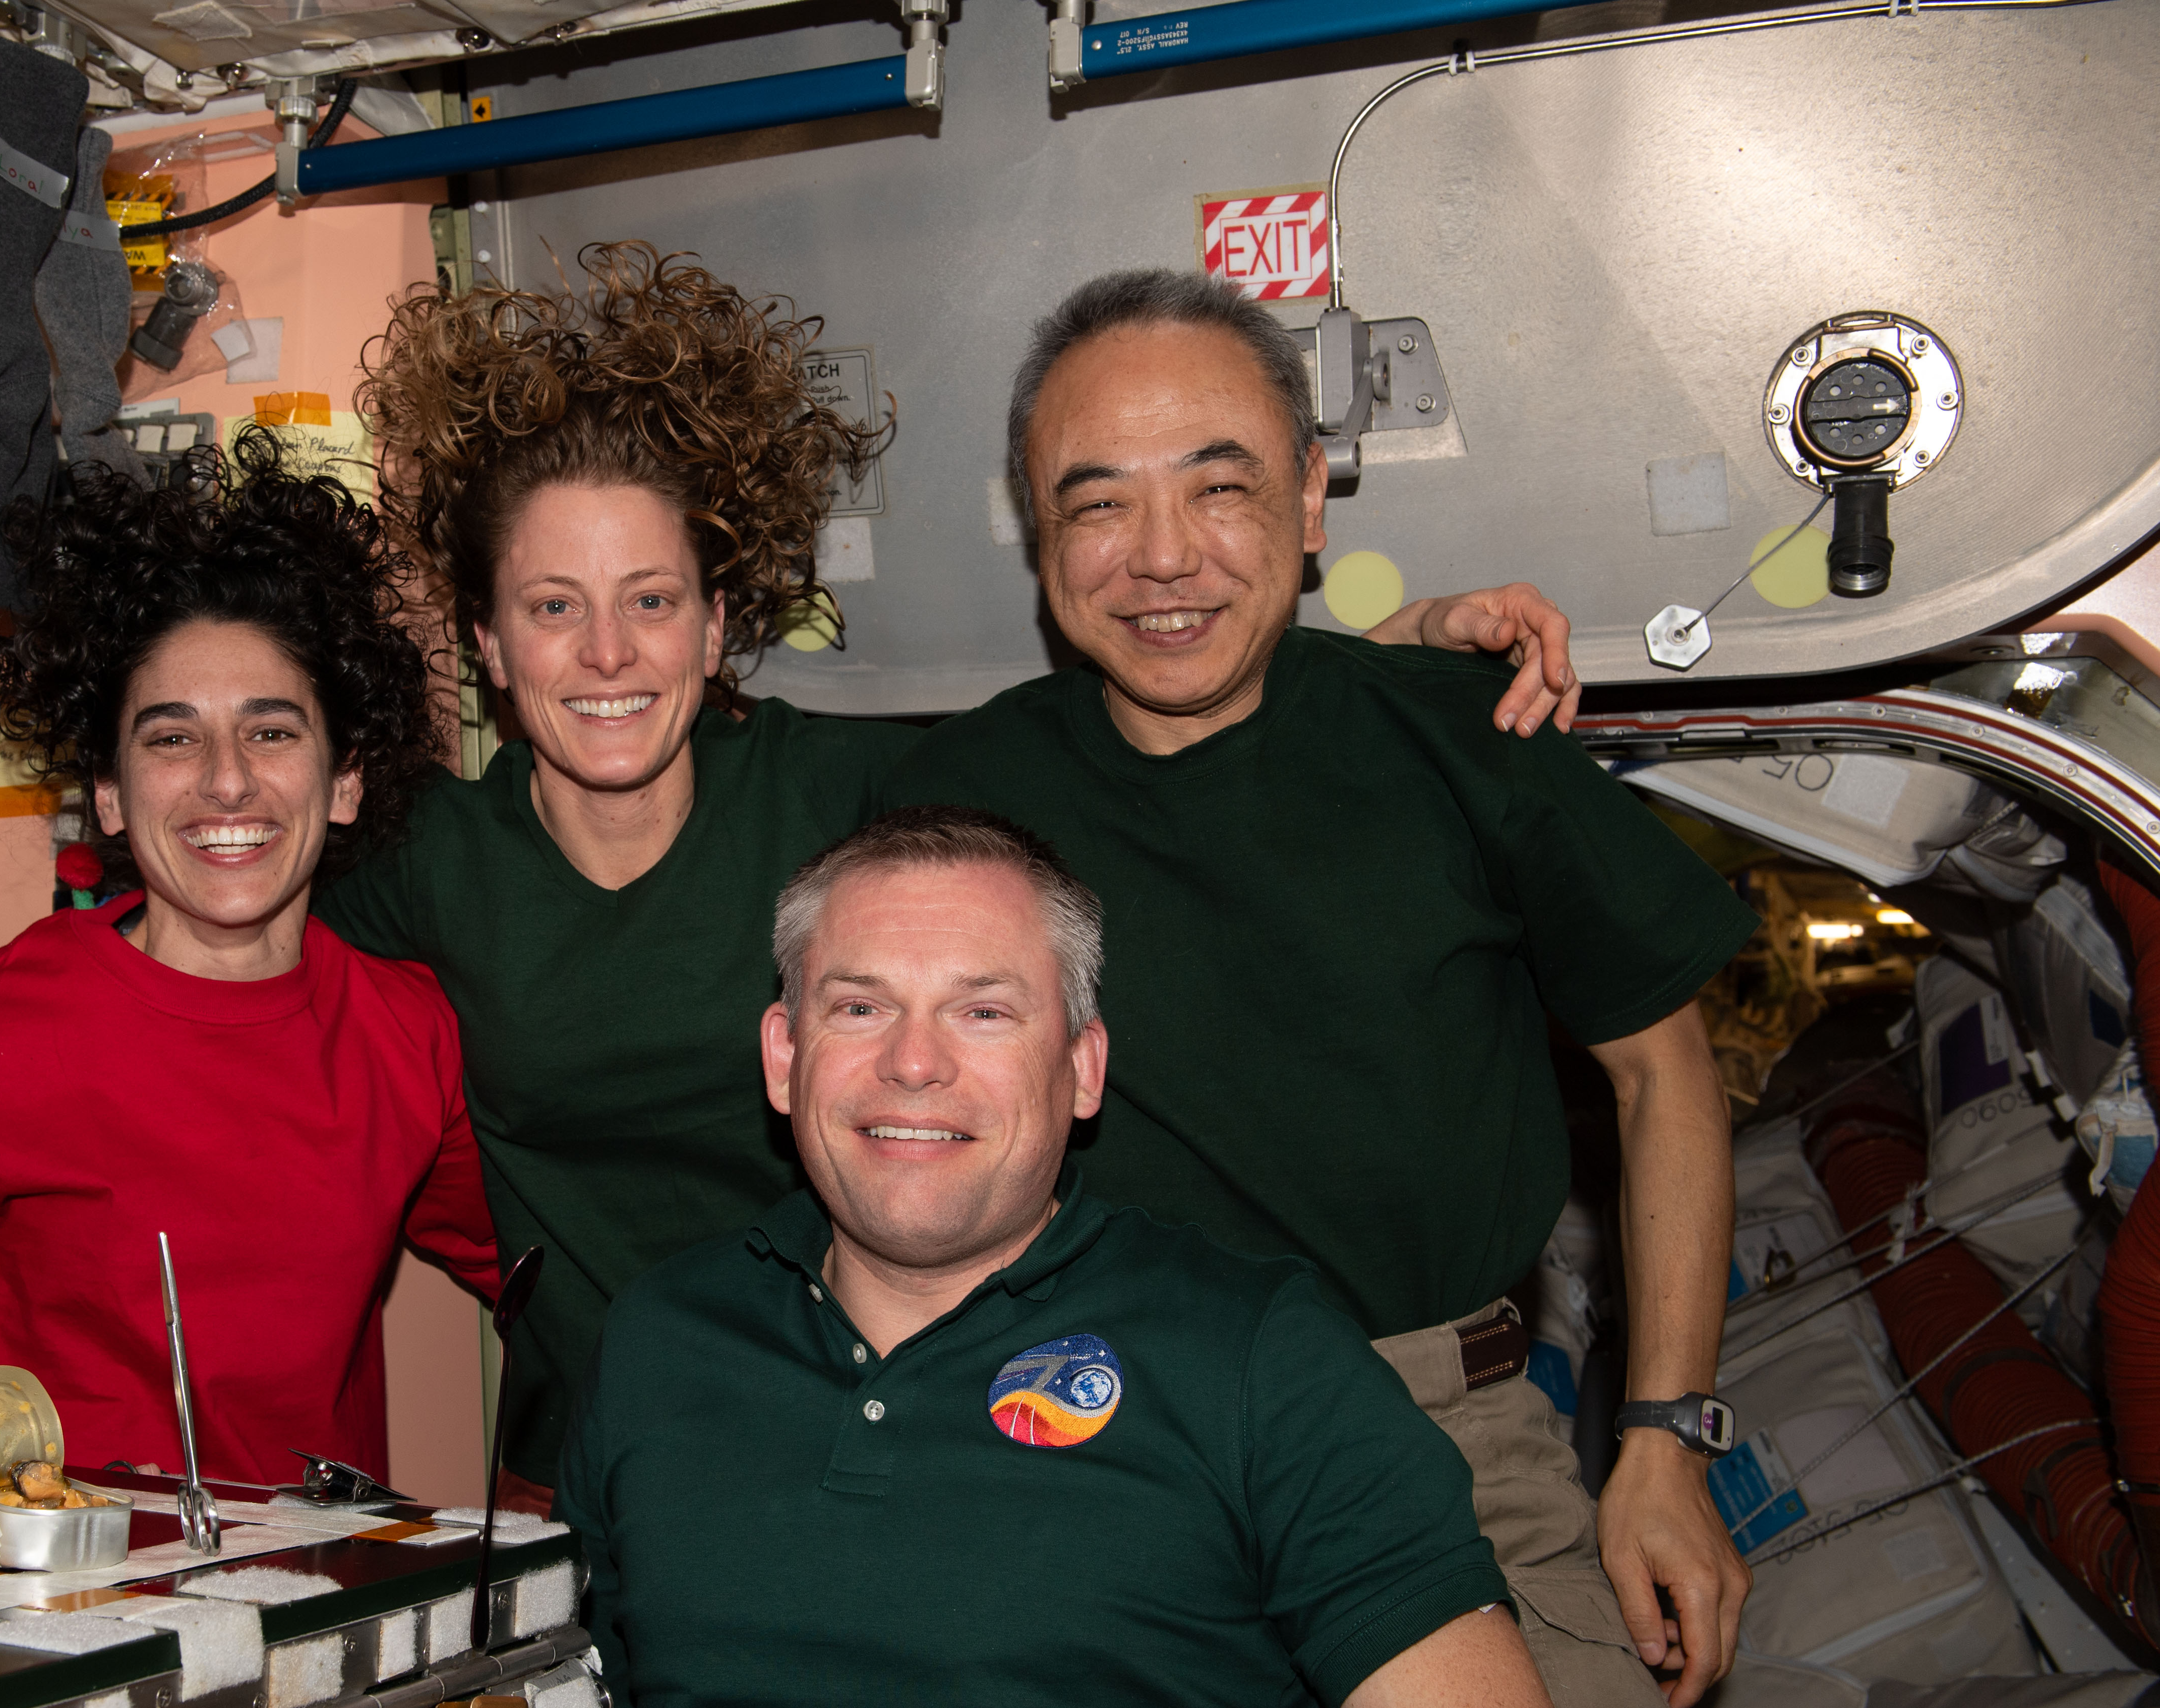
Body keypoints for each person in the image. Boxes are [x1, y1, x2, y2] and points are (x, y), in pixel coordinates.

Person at [323, 243, 1585, 1502]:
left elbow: (1151, 748)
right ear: (488, 642)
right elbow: (229, 956)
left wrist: (1378, 659)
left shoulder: (851, 798)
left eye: (651, 600)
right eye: (552, 608)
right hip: (588, 1468)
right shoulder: (429, 862)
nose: (607, 652)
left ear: (717, 626)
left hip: (881, 1445)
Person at [880, 271, 1757, 1708]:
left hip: (1463, 1450)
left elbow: (1663, 1075)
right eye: (1101, 506)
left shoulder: (1461, 738)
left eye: (1220, 487)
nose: (1163, 558)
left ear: (1305, 498)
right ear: (1038, 532)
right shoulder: (958, 808)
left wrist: (1661, 1442)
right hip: (1128, 1464)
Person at [557, 807, 1622, 1708]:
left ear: (1082, 1064)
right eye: (860, 1005)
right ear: (785, 1056)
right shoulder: (660, 1337)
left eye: (983, 1010)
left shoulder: (1259, 1360)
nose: (914, 1062)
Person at [0, 433, 499, 1483]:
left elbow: (543, 1266)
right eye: (171, 737)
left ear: (345, 780)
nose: (225, 782)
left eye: (272, 733)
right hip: (55, 1617)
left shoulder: (410, 1028)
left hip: (313, 1600)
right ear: (111, 796)